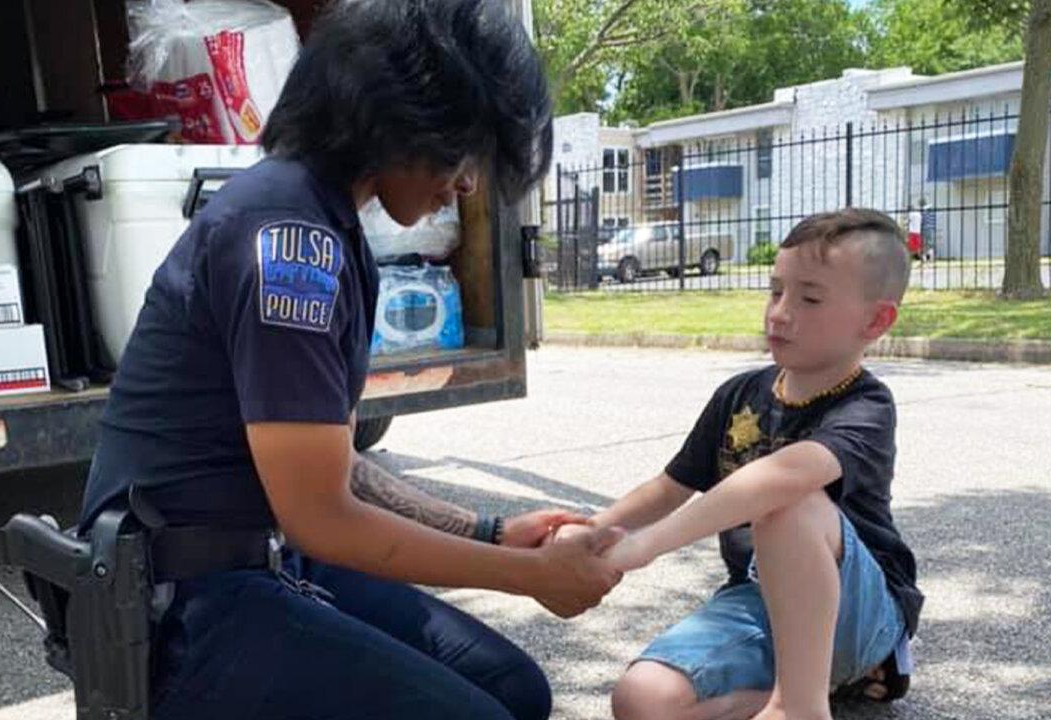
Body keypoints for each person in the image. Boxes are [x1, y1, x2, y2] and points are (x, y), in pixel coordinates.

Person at [77, 1, 623, 719]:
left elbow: (334, 468)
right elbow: (323, 517)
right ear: (398, 117)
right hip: (180, 608)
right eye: (460, 150)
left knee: (516, 690)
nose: (464, 183)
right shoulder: (289, 241)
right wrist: (528, 575)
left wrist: (490, 532)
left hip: (251, 566)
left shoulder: (322, 224)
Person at [553, 209, 924, 720]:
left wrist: (643, 548)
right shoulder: (740, 394)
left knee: (787, 506)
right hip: (758, 602)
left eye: (809, 298)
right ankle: (813, 695)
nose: (780, 312)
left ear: (876, 321)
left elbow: (781, 479)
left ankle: (802, 703)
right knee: (640, 700)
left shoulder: (867, 407)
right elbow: (671, 485)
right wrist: (592, 531)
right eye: (776, 291)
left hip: (857, 614)